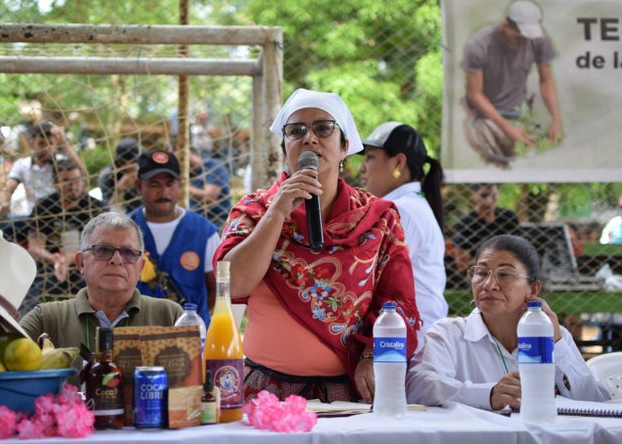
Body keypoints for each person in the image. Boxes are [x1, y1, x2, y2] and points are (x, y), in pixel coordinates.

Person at [214, 88, 420, 404]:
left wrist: (373, 355)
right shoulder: (255, 210)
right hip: (266, 394)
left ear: (345, 146)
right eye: (296, 131)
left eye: (323, 128)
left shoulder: (380, 218)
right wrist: (276, 214)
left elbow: (397, 301)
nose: (309, 138)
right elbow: (231, 284)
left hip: (347, 393)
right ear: (285, 148)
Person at [406, 234, 610, 410]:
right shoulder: (449, 333)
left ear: (533, 289)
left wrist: (557, 345)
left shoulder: (555, 336)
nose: (489, 284)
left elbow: (594, 401)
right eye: (481, 273)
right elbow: (418, 386)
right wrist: (489, 395)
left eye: (504, 274)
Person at [20, 212, 183, 363]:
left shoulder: (169, 316)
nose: (116, 260)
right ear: (81, 263)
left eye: (128, 253)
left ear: (140, 267)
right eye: (103, 250)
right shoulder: (46, 319)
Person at [359, 122, 447, 348]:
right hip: (409, 338)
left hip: (410, 345)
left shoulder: (402, 210)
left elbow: (368, 278)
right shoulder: (409, 205)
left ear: (399, 162)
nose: (361, 168)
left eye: (370, 157)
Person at [461, 0, 563, 167]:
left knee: (535, 156)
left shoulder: (538, 40)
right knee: (495, 161)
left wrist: (556, 119)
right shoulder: (478, 45)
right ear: (506, 25)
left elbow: (546, 80)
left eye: (528, 36)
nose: (525, 40)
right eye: (520, 35)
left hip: (519, 111)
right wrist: (506, 128)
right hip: (483, 115)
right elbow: (475, 94)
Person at [130, 150, 220, 326]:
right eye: (154, 185)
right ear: (139, 186)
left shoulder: (204, 232)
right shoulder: (124, 230)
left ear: (179, 185)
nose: (164, 192)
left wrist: (193, 321)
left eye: (170, 184)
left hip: (191, 336)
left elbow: (217, 291)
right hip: (137, 333)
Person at [21, 158, 108, 315]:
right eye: (66, 181)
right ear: (55, 183)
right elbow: (35, 247)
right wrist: (56, 260)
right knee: (29, 290)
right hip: (50, 265)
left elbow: (102, 248)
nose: (73, 186)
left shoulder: (96, 208)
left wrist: (71, 259)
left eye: (77, 180)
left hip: (87, 265)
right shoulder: (44, 207)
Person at [0, 121, 86, 244]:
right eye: (42, 143)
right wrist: (4, 205)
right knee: (1, 224)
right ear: (32, 143)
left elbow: (81, 173)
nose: (47, 148)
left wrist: (65, 144)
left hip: (60, 214)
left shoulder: (62, 163)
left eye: (51, 144)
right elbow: (9, 188)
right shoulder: (22, 165)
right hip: (35, 217)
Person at [450, 183, 519, 279]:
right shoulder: (465, 223)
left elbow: (520, 252)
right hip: (480, 275)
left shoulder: (508, 217)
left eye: (494, 195)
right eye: (484, 195)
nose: (489, 200)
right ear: (473, 195)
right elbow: (462, 266)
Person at [189, 147, 231, 230]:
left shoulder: (213, 164)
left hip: (216, 221)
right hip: (194, 220)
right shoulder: (187, 173)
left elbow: (210, 196)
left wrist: (184, 187)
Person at [97, 137, 141, 213]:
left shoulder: (141, 167)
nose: (136, 165)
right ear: (121, 163)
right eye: (134, 162)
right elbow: (107, 210)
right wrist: (118, 191)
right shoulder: (106, 176)